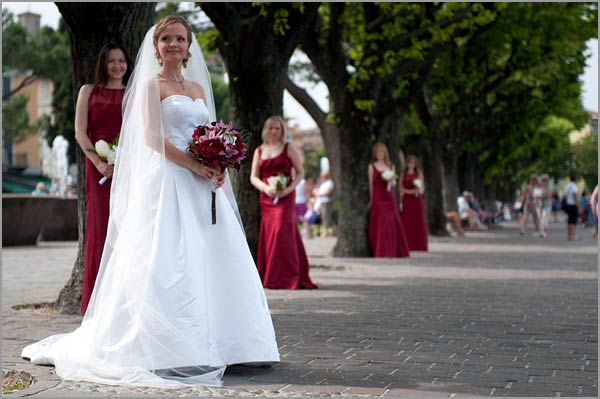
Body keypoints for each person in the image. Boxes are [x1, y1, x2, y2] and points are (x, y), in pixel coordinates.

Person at [22, 16, 279, 387]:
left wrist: (218, 165)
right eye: (166, 39)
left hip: (204, 184)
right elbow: (152, 139)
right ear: (156, 46)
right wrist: (195, 164)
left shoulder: (197, 88)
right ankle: (172, 347)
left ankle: (230, 344)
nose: (173, 44)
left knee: (213, 256)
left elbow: (208, 132)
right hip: (170, 181)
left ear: (189, 46)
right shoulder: (149, 86)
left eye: (180, 38)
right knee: (170, 258)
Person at [73, 43, 131, 315]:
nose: (117, 65)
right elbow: (80, 133)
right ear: (103, 64)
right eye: (111, 61)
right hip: (97, 169)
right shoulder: (88, 91)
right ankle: (96, 306)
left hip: (128, 169)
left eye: (121, 61)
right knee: (100, 228)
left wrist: (125, 162)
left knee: (126, 231)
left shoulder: (133, 95)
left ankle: (123, 303)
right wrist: (97, 161)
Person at [250, 115, 318, 290]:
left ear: (282, 131)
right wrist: (265, 188)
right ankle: (271, 275)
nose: (274, 131)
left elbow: (301, 172)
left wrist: (289, 189)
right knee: (272, 233)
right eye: (271, 128)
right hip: (267, 197)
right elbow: (253, 177)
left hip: (286, 196)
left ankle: (285, 277)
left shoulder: (288, 148)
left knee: (281, 230)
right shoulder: (259, 150)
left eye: (277, 128)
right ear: (266, 130)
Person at [367, 143, 409, 258]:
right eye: (377, 152)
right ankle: (380, 250)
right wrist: (371, 199)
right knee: (380, 222)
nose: (380, 153)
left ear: (385, 153)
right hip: (378, 197)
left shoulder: (391, 166)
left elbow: (394, 183)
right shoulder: (372, 166)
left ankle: (393, 249)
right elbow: (371, 184)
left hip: (389, 196)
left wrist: (391, 180)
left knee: (391, 221)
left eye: (382, 151)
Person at [400, 154, 428, 251]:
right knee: (407, 221)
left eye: (414, 163)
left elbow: (422, 187)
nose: (412, 164)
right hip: (407, 200)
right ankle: (407, 244)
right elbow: (400, 188)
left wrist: (419, 191)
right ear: (407, 163)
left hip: (417, 200)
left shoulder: (419, 173)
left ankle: (419, 245)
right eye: (410, 162)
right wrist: (410, 192)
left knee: (418, 221)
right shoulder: (403, 174)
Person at [314, 170, 335, 237]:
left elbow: (327, 192)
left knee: (327, 217)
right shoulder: (323, 183)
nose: (322, 177)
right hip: (321, 202)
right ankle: (330, 231)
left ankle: (327, 232)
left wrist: (318, 193)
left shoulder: (329, 183)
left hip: (326, 202)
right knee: (324, 217)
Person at [564, 174, 579, 240]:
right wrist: (578, 205)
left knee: (569, 220)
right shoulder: (574, 186)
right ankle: (573, 235)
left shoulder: (567, 186)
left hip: (568, 204)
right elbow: (574, 195)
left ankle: (569, 235)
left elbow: (565, 196)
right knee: (573, 221)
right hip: (573, 204)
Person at [538, 174, 552, 238]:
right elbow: (535, 196)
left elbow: (548, 196)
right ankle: (542, 232)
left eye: (545, 180)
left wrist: (541, 196)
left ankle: (545, 232)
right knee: (540, 219)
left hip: (547, 205)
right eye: (543, 180)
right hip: (539, 205)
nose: (544, 181)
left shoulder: (549, 188)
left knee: (545, 219)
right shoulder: (539, 187)